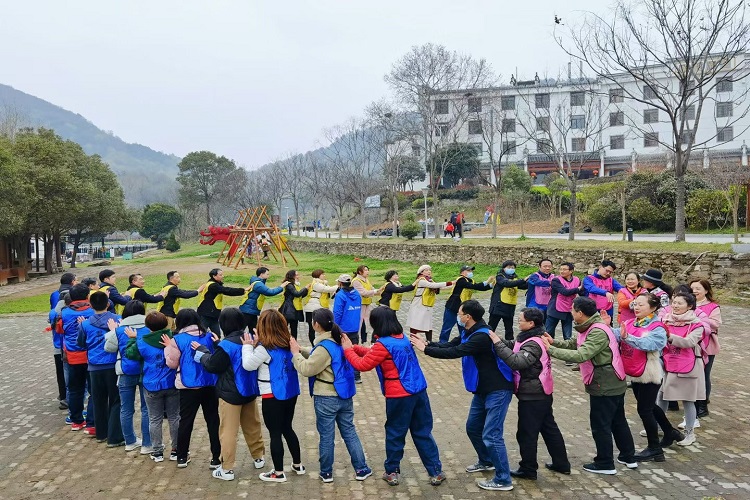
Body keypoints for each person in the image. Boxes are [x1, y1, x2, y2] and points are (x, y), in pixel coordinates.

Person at [411, 300, 515, 492]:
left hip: (498, 390)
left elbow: (455, 352)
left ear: (468, 316)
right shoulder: (469, 331)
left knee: (492, 435)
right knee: (473, 428)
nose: (457, 316)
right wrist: (428, 343)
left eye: (460, 313)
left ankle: (503, 479)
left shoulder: (482, 336)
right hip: (482, 389)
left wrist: (425, 350)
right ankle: (486, 461)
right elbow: (451, 344)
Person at [343, 307, 446, 486]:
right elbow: (372, 353)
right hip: (419, 391)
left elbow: (362, 364)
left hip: (399, 395)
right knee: (422, 432)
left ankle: (391, 471)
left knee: (395, 433)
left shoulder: (383, 344)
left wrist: (347, 350)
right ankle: (435, 471)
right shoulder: (402, 338)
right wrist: (354, 347)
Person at [542, 296, 636, 475]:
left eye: (572, 310)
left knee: (601, 424)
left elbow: (581, 355)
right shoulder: (592, 326)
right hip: (611, 381)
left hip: (605, 382)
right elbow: (574, 343)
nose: (570, 312)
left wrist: (549, 350)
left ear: (580, 313)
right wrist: (554, 342)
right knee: (617, 420)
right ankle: (627, 456)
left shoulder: (597, 331)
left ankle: (605, 463)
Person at [290, 307, 372, 483]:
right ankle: (361, 468)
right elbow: (316, 355)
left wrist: (295, 354)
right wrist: (302, 349)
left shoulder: (323, 347)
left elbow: (307, 368)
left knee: (327, 436)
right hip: (344, 395)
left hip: (326, 397)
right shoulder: (338, 340)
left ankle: (326, 472)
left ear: (316, 325)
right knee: (349, 432)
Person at [488, 307, 570, 480]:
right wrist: (496, 339)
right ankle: (561, 463)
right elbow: (513, 346)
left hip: (534, 395)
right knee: (549, 428)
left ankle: (528, 469)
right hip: (541, 392)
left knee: (526, 433)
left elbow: (517, 361)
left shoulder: (533, 342)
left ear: (531, 323)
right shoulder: (530, 336)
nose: (518, 322)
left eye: (520, 320)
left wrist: (496, 343)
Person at [192, 307, 266, 481]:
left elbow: (213, 365)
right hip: (249, 391)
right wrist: (219, 345)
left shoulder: (226, 345)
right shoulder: (250, 340)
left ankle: (227, 468)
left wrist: (203, 353)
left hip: (230, 394)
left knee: (228, 431)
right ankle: (259, 457)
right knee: (252, 426)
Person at [607, 294, 683, 459]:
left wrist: (628, 337)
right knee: (649, 406)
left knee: (645, 409)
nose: (636, 307)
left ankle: (655, 448)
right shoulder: (630, 322)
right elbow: (617, 334)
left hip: (650, 372)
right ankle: (670, 432)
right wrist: (604, 327)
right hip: (635, 372)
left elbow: (651, 344)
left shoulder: (657, 327)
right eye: (635, 304)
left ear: (653, 308)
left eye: (641, 305)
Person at [241, 309, 305, 483]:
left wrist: (247, 346)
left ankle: (278, 472)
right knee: (287, 428)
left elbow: (248, 365)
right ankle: (298, 465)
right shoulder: (289, 342)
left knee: (275, 433)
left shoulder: (265, 348)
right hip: (291, 391)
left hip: (271, 394)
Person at [163, 309, 221, 469]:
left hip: (188, 386)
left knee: (186, 421)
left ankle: (182, 456)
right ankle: (216, 457)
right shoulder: (210, 336)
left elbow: (172, 363)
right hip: (210, 384)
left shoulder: (178, 339)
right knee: (213, 420)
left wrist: (168, 348)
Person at [124, 311, 180, 463]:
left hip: (151, 385)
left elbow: (130, 354)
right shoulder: (173, 339)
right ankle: (176, 450)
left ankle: (157, 451)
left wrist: (132, 340)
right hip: (171, 384)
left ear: (148, 326)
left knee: (154, 418)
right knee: (174, 417)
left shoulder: (142, 342)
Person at [103, 300, 152, 454]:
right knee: (147, 408)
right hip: (146, 372)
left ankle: (130, 441)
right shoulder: (150, 328)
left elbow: (108, 348)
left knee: (126, 408)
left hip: (125, 371)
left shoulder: (120, 330)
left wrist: (113, 331)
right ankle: (147, 444)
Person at [659, 293, 707, 447]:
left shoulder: (697, 325)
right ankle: (658, 425)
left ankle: (689, 433)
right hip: (668, 363)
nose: (675, 306)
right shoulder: (665, 319)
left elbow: (689, 342)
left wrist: (669, 336)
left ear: (690, 306)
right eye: (674, 302)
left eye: (680, 303)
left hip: (688, 366)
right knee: (662, 396)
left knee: (688, 400)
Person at [78, 291, 124, 446]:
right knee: (115, 401)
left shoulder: (84, 324)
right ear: (108, 304)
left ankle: (101, 433)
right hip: (112, 366)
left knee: (98, 401)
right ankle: (114, 436)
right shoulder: (117, 320)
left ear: (90, 305)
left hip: (94, 367)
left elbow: (81, 344)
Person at [59, 284, 96, 432]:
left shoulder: (65, 313)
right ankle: (92, 422)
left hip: (73, 357)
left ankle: (76, 421)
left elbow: (59, 329)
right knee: (93, 391)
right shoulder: (94, 312)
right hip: (91, 356)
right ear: (87, 296)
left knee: (75, 390)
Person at [691, 278, 721, 418]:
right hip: (690, 343)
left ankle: (703, 404)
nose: (694, 291)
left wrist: (700, 317)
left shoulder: (713, 306)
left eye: (698, 288)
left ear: (706, 290)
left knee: (704, 373)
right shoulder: (687, 303)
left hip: (707, 343)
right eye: (692, 288)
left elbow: (716, 324)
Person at [439, 265, 493, 343]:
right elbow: (471, 286)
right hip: (453, 306)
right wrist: (486, 282)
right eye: (469, 271)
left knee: (463, 326)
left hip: (464, 308)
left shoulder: (470, 280)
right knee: (447, 327)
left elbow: (478, 287)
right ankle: (442, 343)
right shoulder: (461, 280)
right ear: (463, 272)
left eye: (471, 271)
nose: (471, 272)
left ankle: (463, 342)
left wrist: (491, 285)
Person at [49, 272, 77, 410]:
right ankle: (70, 398)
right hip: (68, 343)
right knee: (70, 371)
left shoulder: (54, 294)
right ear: (72, 282)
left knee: (60, 370)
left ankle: (63, 396)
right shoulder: (73, 298)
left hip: (57, 341)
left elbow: (51, 314)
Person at [406, 265, 453, 343]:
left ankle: (429, 341)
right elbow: (434, 286)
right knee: (416, 323)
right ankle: (413, 341)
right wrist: (450, 282)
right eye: (426, 270)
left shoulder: (430, 280)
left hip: (427, 304)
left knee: (428, 323)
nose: (429, 271)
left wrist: (453, 285)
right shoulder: (421, 280)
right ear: (421, 272)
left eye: (430, 270)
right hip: (419, 304)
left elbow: (439, 287)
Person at [197, 268, 248, 336]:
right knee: (202, 332)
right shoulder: (213, 285)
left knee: (217, 334)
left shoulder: (216, 284)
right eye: (220, 275)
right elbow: (227, 290)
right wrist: (242, 291)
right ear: (214, 276)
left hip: (213, 313)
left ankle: (216, 345)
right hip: (206, 313)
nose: (222, 276)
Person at [333, 274, 363, 383]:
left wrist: (334, 327)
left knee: (341, 352)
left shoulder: (340, 295)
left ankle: (342, 375)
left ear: (340, 283)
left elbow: (337, 313)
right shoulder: (357, 294)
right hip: (354, 327)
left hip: (342, 329)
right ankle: (356, 376)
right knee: (355, 352)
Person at [488, 261, 528, 340]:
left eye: (513, 268)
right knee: (491, 327)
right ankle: (486, 342)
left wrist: (531, 281)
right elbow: (506, 283)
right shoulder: (500, 277)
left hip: (509, 306)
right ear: (504, 268)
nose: (511, 269)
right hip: (498, 306)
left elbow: (523, 286)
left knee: (509, 329)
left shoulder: (515, 278)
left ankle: (510, 345)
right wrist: (523, 280)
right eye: (509, 267)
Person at [239, 267, 287, 331]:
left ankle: (253, 339)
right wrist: (281, 286)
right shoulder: (259, 285)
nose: (268, 276)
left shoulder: (258, 282)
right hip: (249, 309)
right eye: (267, 274)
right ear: (261, 274)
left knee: (253, 329)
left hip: (251, 309)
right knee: (243, 328)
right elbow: (270, 292)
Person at [545, 262, 582, 342]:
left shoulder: (577, 280)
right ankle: (547, 350)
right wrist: (578, 289)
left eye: (564, 269)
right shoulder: (556, 280)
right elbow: (564, 292)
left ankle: (567, 351)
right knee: (549, 333)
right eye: (560, 269)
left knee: (568, 335)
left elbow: (582, 293)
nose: (561, 271)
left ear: (571, 271)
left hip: (569, 309)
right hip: (555, 309)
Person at [303, 270, 338, 344]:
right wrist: (339, 285)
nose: (324, 275)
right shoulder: (316, 284)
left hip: (320, 306)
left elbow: (330, 291)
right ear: (317, 275)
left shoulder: (323, 283)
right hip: (312, 308)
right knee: (312, 328)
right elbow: (328, 289)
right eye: (322, 274)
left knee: (322, 326)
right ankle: (313, 344)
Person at [352, 265, 381, 344]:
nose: (367, 272)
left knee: (367, 322)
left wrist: (378, 291)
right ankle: (356, 340)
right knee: (359, 322)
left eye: (368, 270)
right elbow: (363, 292)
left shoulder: (366, 280)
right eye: (365, 270)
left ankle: (364, 341)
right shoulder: (356, 281)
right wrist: (375, 291)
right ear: (360, 272)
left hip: (367, 303)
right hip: (359, 304)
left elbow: (371, 289)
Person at [280, 269, 309, 340]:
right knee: (285, 328)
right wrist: (305, 288)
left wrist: (306, 291)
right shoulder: (289, 285)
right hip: (289, 309)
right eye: (297, 275)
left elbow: (300, 295)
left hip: (295, 308)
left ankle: (293, 342)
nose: (298, 276)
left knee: (294, 328)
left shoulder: (295, 285)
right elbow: (297, 294)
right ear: (292, 276)